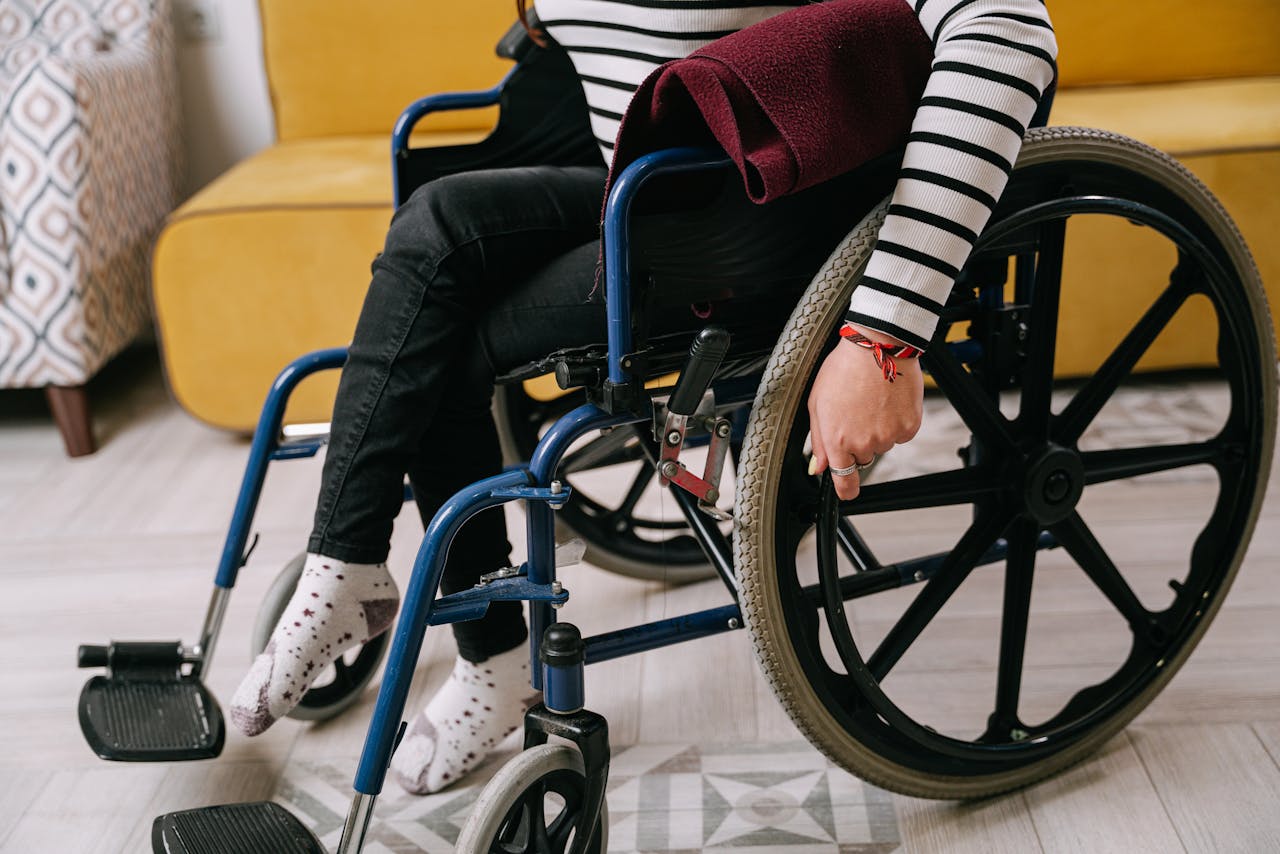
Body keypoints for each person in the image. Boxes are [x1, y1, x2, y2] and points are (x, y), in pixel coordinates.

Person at [229, 0, 1058, 794]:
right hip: (633, 181)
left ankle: (483, 655)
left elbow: (1008, 27)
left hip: (753, 218)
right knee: (435, 221)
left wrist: (885, 330)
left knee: (444, 352)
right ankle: (349, 564)